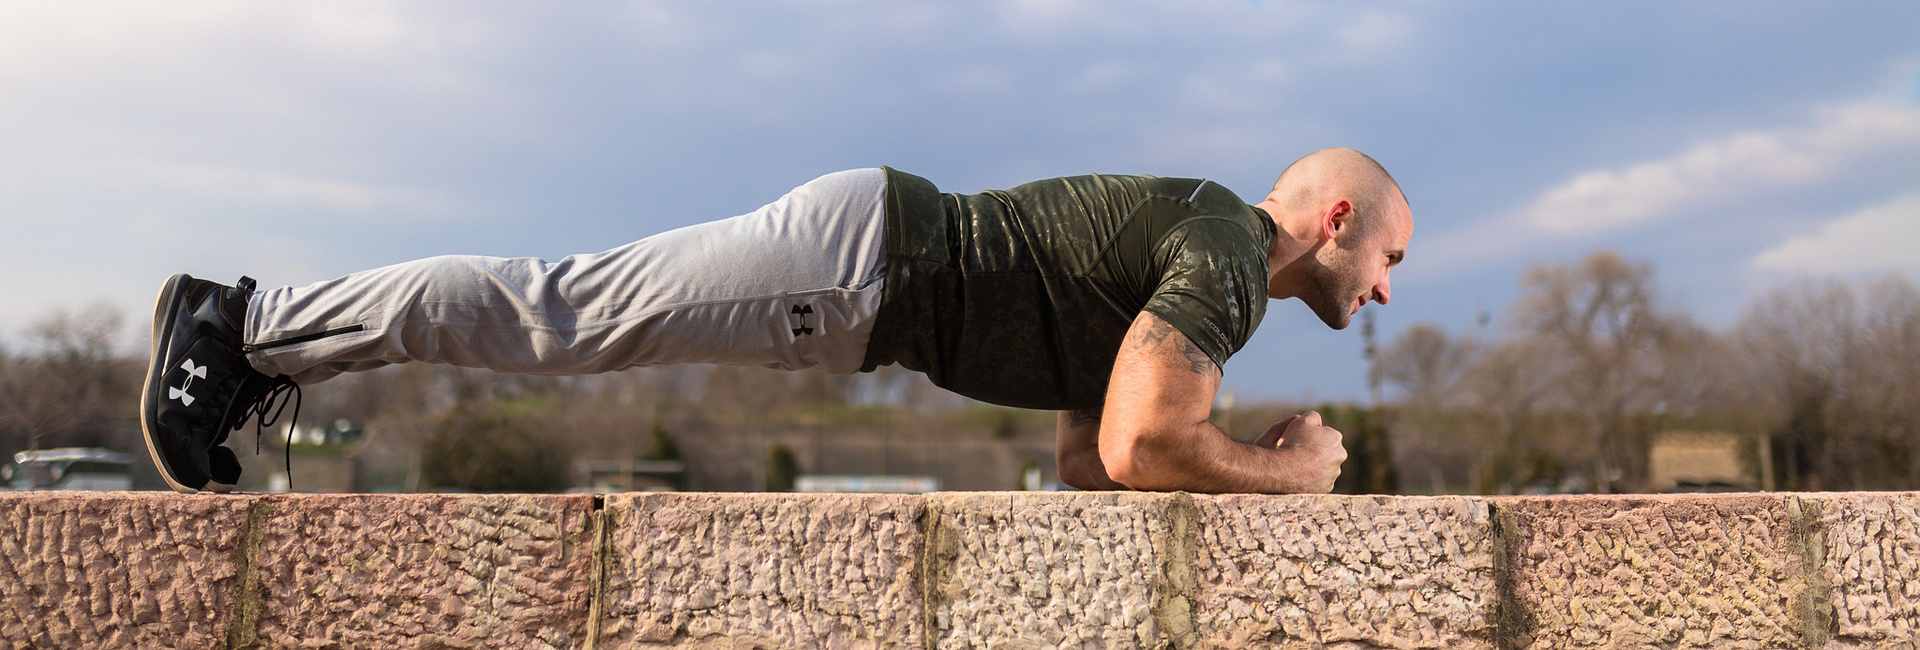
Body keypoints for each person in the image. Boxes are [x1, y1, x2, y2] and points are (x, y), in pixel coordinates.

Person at [139, 147, 1411, 495]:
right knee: (558, 313)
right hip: (864, 267)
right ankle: (243, 325)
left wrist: (1212, 449)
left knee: (561, 312)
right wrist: (1292, 471)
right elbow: (1143, 445)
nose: (1389, 288)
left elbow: (1093, 454)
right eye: (1391, 257)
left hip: (866, 266)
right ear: (1337, 217)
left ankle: (251, 335)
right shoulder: (1227, 255)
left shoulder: (1203, 256)